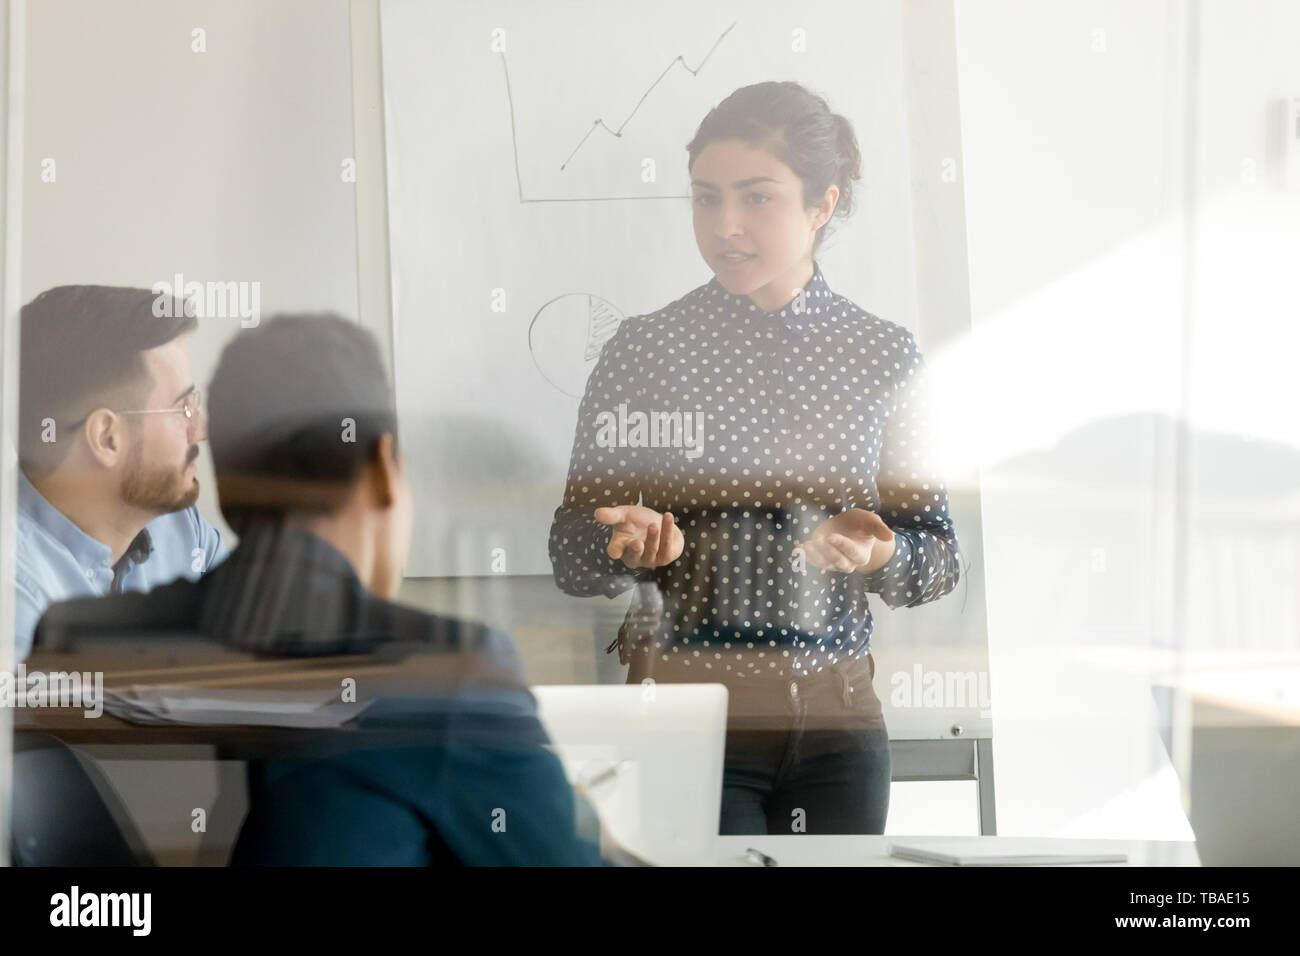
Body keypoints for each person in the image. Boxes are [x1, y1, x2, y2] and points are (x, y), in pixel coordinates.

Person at [37, 314, 616, 866]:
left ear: (228, 482)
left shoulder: (72, 639)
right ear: (385, 467)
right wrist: (576, 817)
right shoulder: (455, 679)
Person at [549, 81, 963, 835]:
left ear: (823, 204)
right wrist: (624, 547)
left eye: (757, 198)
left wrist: (881, 556)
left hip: (839, 732)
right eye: (706, 199)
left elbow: (939, 558)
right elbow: (571, 555)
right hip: (687, 720)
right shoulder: (644, 351)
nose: (725, 226)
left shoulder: (884, 357)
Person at [14, 285, 227, 661]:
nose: (203, 430)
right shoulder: (13, 598)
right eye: (184, 410)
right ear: (108, 438)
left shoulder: (181, 528)